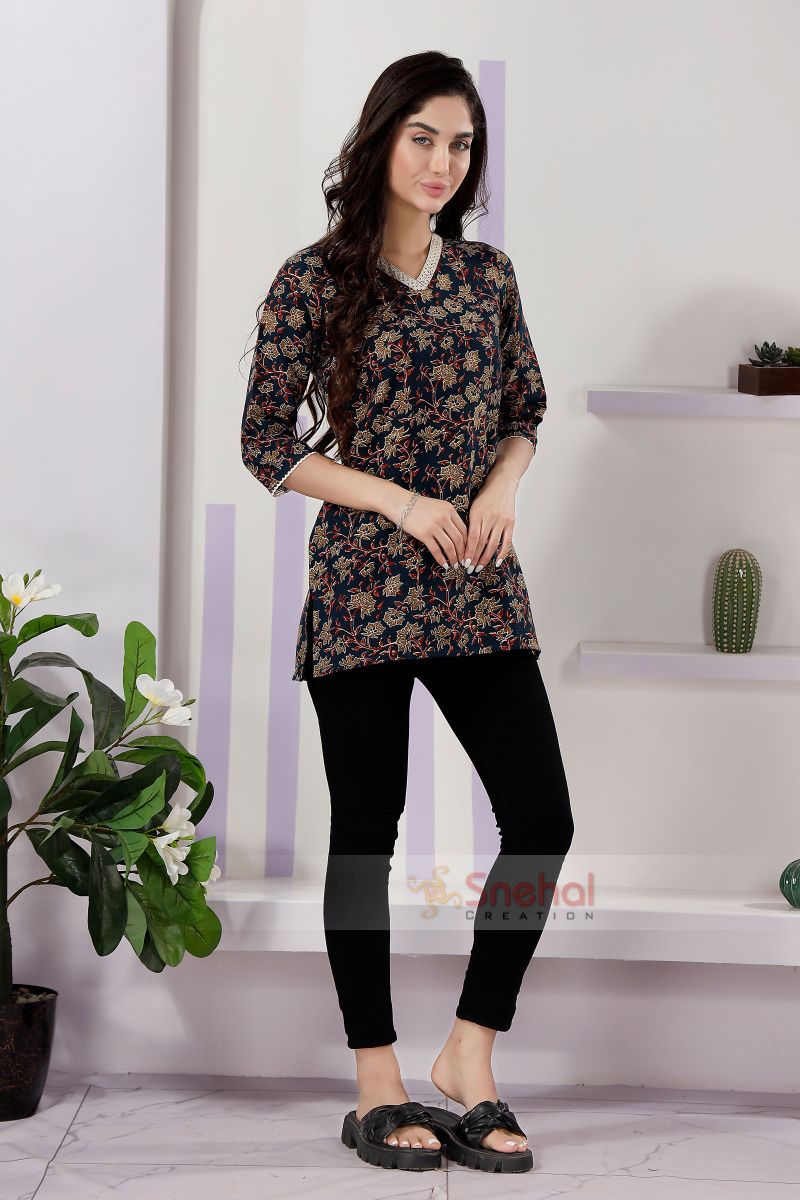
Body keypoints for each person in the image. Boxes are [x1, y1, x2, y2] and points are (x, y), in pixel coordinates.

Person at [241, 50, 574, 1175]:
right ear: (382, 138)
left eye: (461, 143)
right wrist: (394, 498)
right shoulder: (312, 280)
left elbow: (524, 409)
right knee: (363, 840)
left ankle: (469, 1054)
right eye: (423, 137)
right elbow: (265, 445)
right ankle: (376, 1080)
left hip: (476, 582)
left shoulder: (486, 277)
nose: (442, 161)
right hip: (364, 591)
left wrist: (499, 487)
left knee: (541, 819)